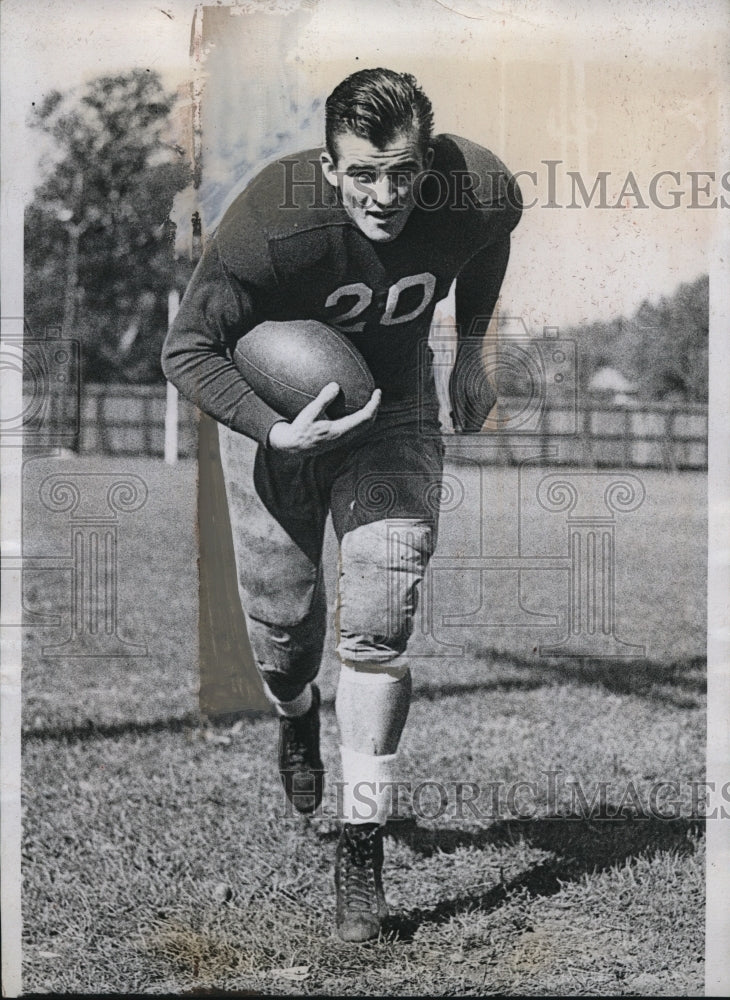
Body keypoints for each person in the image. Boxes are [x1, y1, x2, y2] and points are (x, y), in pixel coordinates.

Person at [162, 67, 522, 943]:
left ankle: (361, 843)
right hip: (279, 416)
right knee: (285, 631)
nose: (386, 194)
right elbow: (188, 349)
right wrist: (270, 429)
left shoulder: (473, 187)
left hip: (394, 411)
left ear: (427, 159)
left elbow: (492, 237)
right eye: (362, 173)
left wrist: (471, 348)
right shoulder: (271, 221)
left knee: (379, 620)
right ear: (328, 166)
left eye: (403, 170)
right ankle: (295, 720)